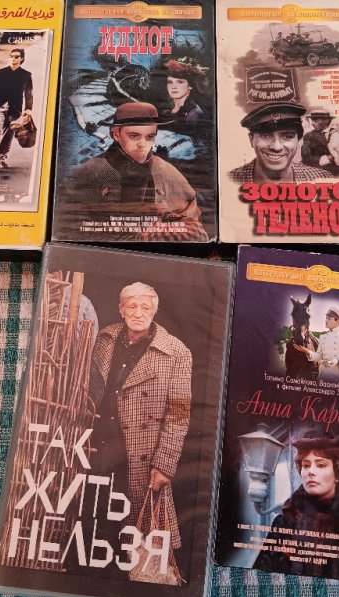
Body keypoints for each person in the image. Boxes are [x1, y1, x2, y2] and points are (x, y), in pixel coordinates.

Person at [87, 282, 192, 559]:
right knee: (91, 522)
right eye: (131, 306)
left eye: (145, 307)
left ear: (154, 311)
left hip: (136, 456)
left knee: (132, 536)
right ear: (121, 310)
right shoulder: (104, 338)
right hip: (95, 448)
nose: (138, 313)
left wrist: (164, 464)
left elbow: (179, 414)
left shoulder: (176, 352)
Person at [59, 102, 207, 240]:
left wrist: (165, 226)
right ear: (116, 135)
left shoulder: (164, 169)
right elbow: (66, 222)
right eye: (134, 136)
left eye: (149, 137)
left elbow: (191, 210)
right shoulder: (91, 171)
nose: (143, 144)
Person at [253, 430, 339, 581]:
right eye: (305, 465)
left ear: (336, 475)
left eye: (321, 465)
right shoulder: (284, 525)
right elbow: (260, 579)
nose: (311, 472)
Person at [229, 102, 332, 184]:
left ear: (298, 140)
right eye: (265, 135)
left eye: (287, 136)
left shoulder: (323, 179)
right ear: (251, 139)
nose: (276, 147)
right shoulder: (230, 181)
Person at [0, 48, 33, 171]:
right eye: (11, 56)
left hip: (15, 109)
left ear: (21, 59)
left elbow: (29, 93)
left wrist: (28, 108)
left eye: (16, 57)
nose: (13, 59)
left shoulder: (26, 75)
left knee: (9, 135)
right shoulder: (0, 73)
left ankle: (1, 159)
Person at [294, 306, 339, 381]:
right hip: (323, 377)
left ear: (338, 321)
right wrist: (306, 351)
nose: (326, 320)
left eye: (329, 318)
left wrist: (338, 361)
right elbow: (319, 356)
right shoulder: (322, 337)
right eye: (326, 318)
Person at [157, 57, 208, 136]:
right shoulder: (164, 110)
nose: (173, 87)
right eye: (170, 82)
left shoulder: (195, 114)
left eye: (180, 82)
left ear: (190, 86)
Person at [301, 110, 339, 176]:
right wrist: (330, 157)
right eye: (312, 120)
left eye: (316, 120)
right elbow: (306, 159)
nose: (312, 123)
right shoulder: (309, 136)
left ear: (326, 120)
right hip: (324, 173)